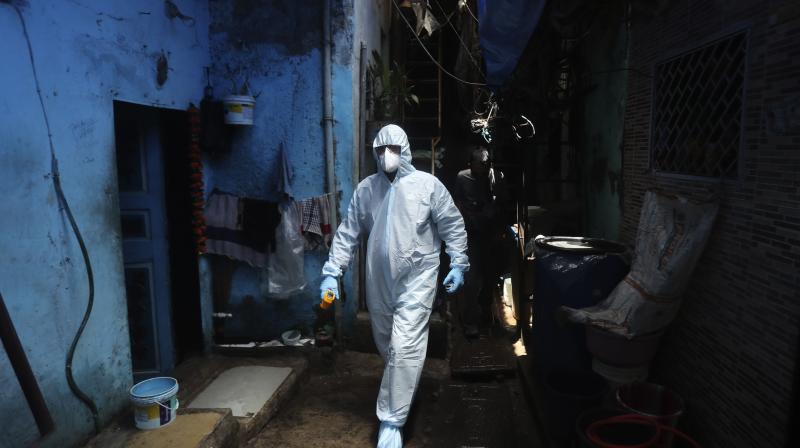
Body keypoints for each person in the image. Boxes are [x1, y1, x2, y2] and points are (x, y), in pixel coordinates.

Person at [319, 124, 469, 448]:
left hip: (418, 278)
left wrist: (458, 261)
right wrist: (333, 271)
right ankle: (404, 388)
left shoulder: (428, 186)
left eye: (394, 149)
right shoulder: (366, 190)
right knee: (389, 345)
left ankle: (391, 422)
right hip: (379, 281)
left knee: (405, 345)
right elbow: (348, 233)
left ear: (406, 150)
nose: (387, 155)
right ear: (374, 152)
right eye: (380, 149)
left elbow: (452, 225)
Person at [453, 147, 502, 338]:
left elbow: (502, 204)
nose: (484, 166)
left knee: (490, 277)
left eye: (487, 164)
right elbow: (457, 202)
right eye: (480, 164)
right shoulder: (462, 178)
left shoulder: (495, 177)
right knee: (471, 280)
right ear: (470, 164)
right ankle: (471, 321)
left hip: (489, 235)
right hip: (470, 235)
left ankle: (486, 314)